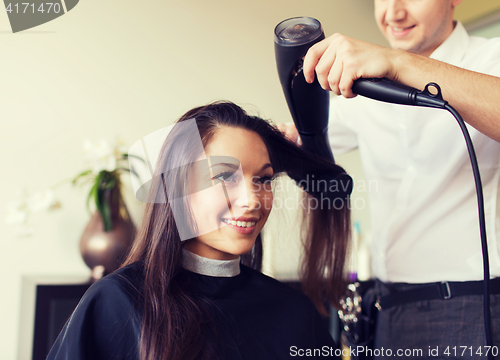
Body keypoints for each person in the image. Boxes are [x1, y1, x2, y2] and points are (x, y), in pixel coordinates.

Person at [46, 101, 351, 360]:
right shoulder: (117, 301)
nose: (252, 200)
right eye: (223, 176)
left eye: (263, 179)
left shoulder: (293, 312)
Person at [279, 0, 500, 356]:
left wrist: (398, 63)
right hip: (387, 312)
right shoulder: (362, 89)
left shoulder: (492, 59)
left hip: (472, 307)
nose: (393, 13)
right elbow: (306, 141)